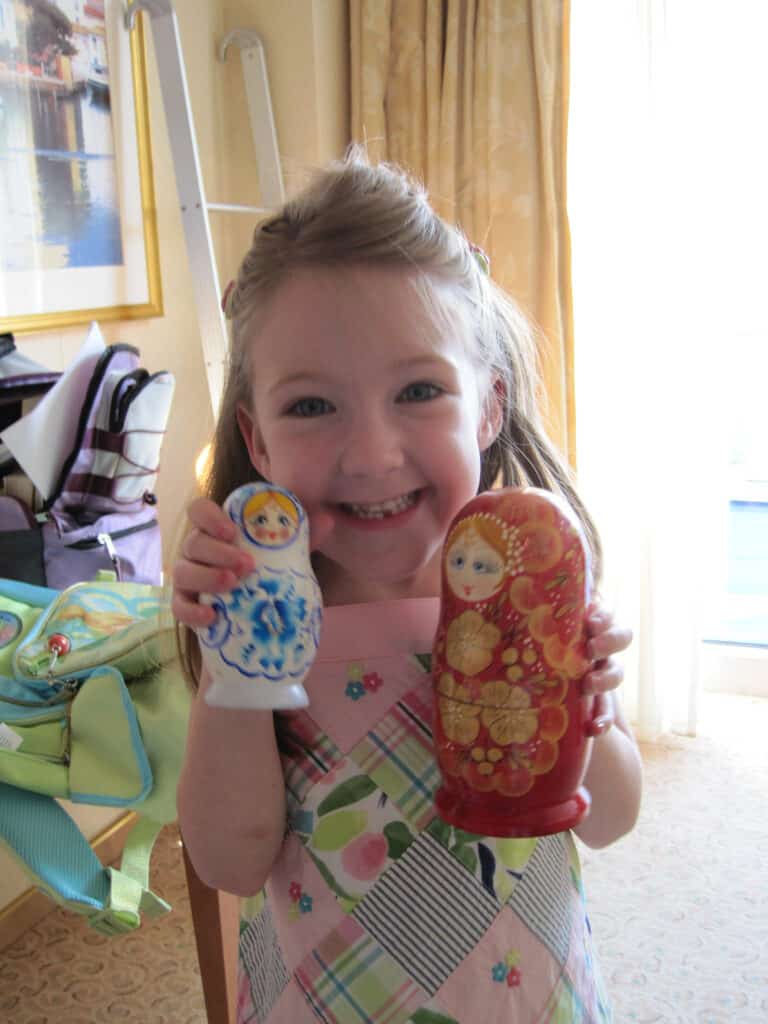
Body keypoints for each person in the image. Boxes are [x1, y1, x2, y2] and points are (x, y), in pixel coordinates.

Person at [173, 149, 642, 1023]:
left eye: (420, 390)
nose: (373, 455)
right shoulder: (273, 621)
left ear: (489, 407)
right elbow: (231, 861)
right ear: (258, 439)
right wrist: (232, 660)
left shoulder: (529, 600)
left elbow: (608, 818)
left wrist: (589, 696)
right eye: (312, 406)